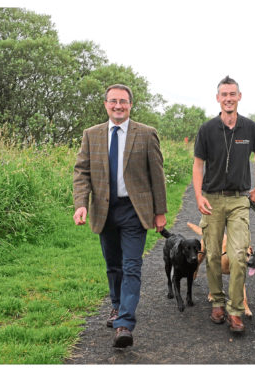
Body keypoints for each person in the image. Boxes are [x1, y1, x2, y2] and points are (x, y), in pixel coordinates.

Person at [73, 84, 167, 348]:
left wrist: (160, 212)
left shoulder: (147, 134)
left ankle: (124, 323)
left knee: (132, 266)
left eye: (123, 102)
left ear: (130, 105)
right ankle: (116, 306)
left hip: (134, 211)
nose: (118, 106)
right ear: (105, 104)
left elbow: (157, 176)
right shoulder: (91, 135)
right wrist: (81, 203)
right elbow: (82, 172)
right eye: (113, 101)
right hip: (104, 210)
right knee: (113, 265)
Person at [193, 76, 255, 333]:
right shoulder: (207, 129)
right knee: (212, 253)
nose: (228, 98)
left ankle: (235, 311)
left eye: (232, 94)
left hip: (238, 200)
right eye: (224, 94)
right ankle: (218, 303)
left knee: (237, 256)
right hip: (211, 198)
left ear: (239, 96)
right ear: (218, 98)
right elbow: (198, 164)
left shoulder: (250, 128)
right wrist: (198, 195)